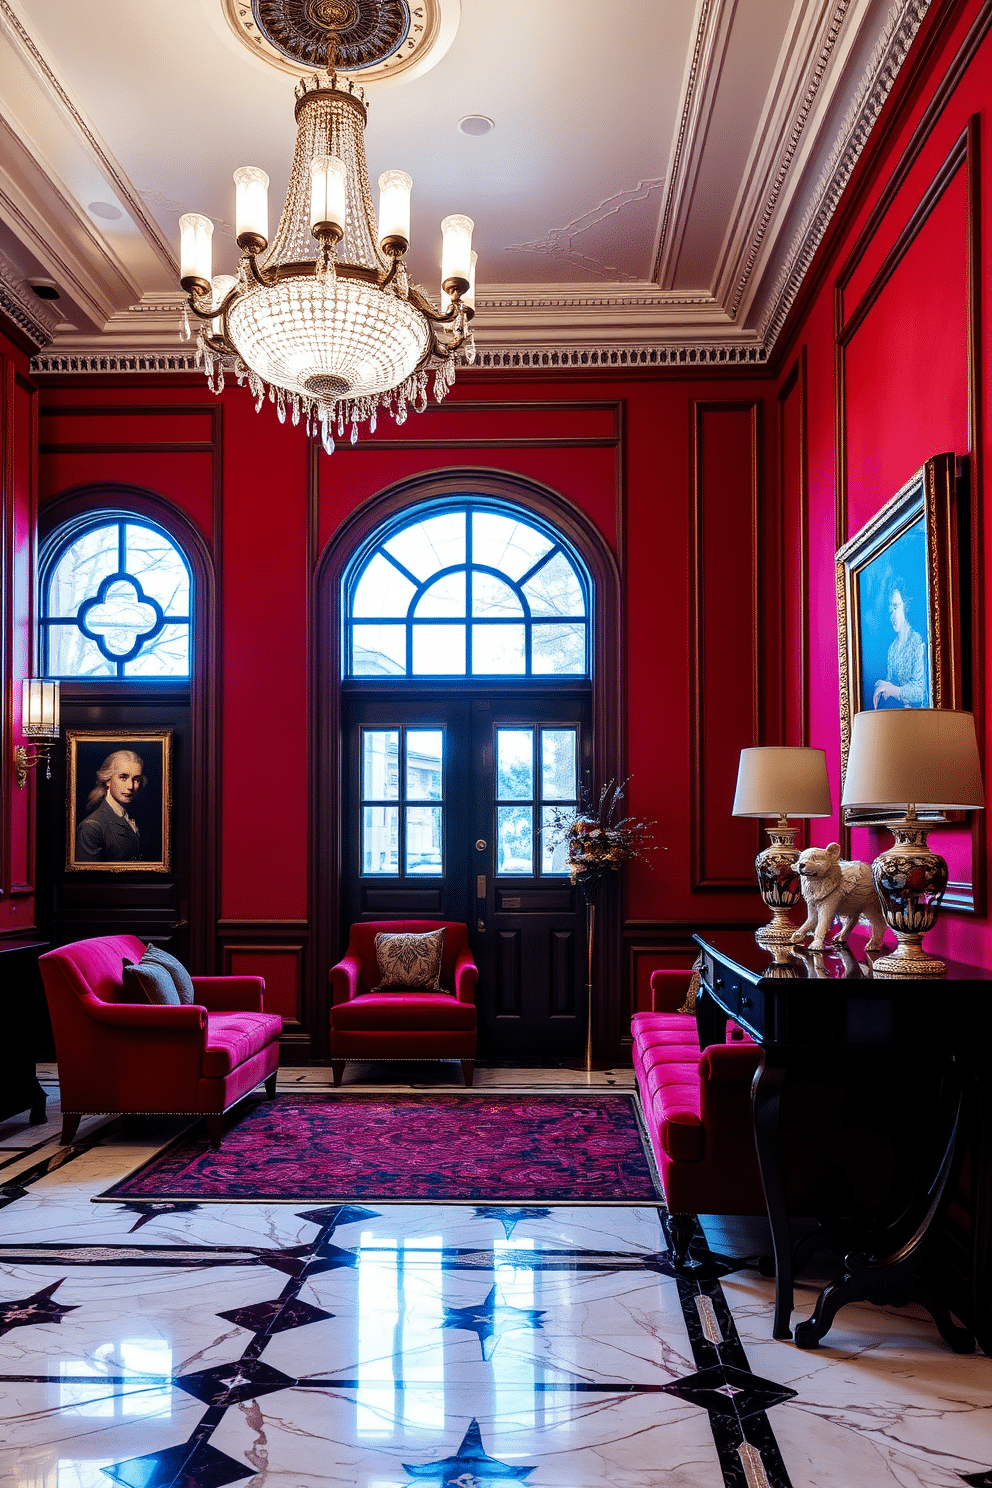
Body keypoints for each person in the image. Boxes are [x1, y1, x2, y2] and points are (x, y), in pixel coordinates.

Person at [74, 749, 146, 861]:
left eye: (136, 779)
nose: (130, 786)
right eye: (123, 777)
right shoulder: (92, 827)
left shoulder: (133, 818)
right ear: (108, 780)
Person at [872, 577, 925, 708]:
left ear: (906, 606)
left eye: (896, 607)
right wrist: (883, 687)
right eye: (890, 610)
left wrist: (893, 689)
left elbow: (921, 693)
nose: (892, 615)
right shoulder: (892, 649)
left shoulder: (917, 641)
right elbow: (892, 683)